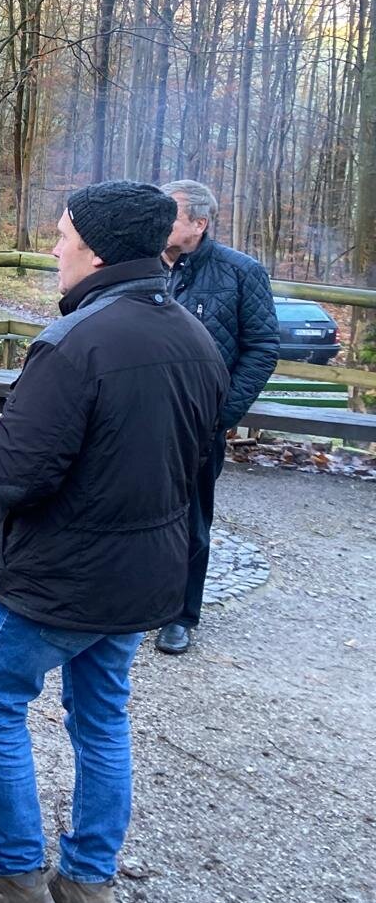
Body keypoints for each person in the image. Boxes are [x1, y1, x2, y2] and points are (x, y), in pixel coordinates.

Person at [0, 181, 227, 903]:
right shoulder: (194, 337)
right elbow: (192, 460)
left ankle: (12, 874)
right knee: (102, 715)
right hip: (142, 577)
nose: (54, 249)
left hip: (61, 580)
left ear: (94, 250)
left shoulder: (72, 344)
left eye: (62, 236)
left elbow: (12, 477)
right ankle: (88, 881)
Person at [157, 179, 279, 656]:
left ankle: (179, 615)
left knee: (191, 517)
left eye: (170, 215)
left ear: (199, 223)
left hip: (199, 423)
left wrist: (224, 413)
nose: (160, 224)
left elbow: (262, 348)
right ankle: (125, 599)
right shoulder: (142, 267)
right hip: (139, 415)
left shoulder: (240, 273)